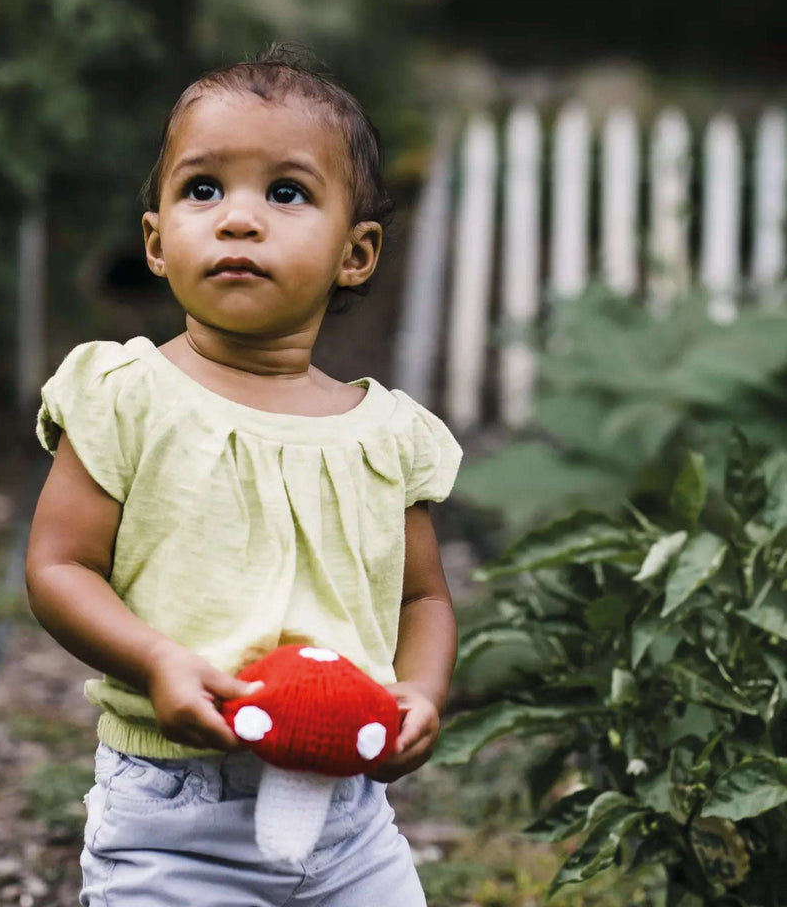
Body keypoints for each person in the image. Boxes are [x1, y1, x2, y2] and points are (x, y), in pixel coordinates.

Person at [25, 45, 463, 906]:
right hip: (175, 813)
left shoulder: (386, 435)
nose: (238, 219)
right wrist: (155, 659)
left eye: (287, 193)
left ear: (357, 253)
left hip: (351, 819)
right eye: (202, 189)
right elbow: (57, 566)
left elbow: (425, 600)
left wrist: (420, 689)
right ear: (156, 241)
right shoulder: (129, 395)